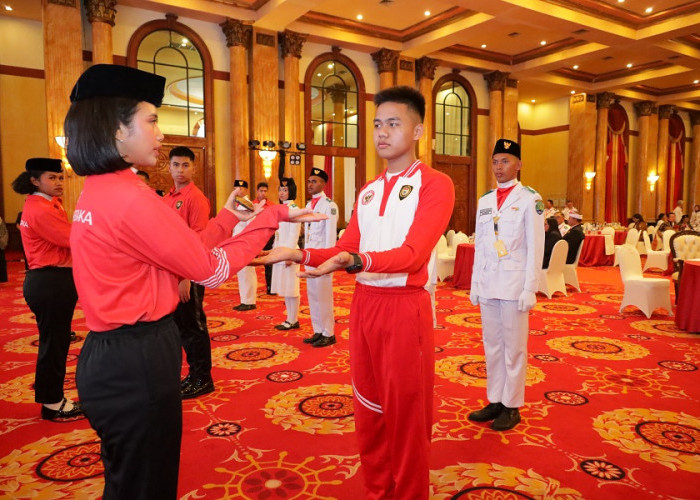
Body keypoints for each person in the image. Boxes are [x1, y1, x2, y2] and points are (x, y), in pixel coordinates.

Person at [64, 64, 324, 499]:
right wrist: (270, 218)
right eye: (151, 120)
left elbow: (181, 249)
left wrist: (229, 219)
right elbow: (210, 269)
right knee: (146, 485)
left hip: (111, 355)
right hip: (136, 359)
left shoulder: (100, 189)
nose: (161, 134)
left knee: (129, 480)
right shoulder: (131, 198)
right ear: (117, 131)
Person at [258, 85, 455, 499]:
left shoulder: (435, 185)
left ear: (418, 131)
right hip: (365, 305)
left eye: (393, 123)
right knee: (370, 410)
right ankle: (378, 491)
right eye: (377, 124)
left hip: (405, 310)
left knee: (406, 416)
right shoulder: (367, 190)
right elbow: (347, 248)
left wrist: (357, 262)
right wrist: (299, 251)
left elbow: (413, 255)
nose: (382, 132)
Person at [469, 138, 544, 432]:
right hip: (488, 283)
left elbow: (535, 248)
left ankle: (512, 405)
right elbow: (481, 245)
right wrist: (475, 283)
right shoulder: (485, 201)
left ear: (519, 165)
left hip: (514, 286)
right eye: (495, 161)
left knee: (514, 348)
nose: (499, 167)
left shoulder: (529, 199)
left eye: (505, 161)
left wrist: (530, 288)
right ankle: (495, 399)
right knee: (492, 346)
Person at [12, 158, 83, 421]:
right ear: (34, 180)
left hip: (52, 281)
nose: (58, 183)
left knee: (56, 341)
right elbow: (71, 238)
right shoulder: (40, 208)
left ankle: (52, 399)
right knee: (54, 344)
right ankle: (53, 403)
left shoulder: (46, 204)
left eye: (60, 177)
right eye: (52, 178)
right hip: (50, 281)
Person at [163, 146, 215, 399]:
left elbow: (198, 242)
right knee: (179, 327)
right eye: (176, 165)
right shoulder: (168, 198)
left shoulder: (195, 198)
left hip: (188, 274)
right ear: (169, 167)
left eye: (185, 165)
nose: (180, 170)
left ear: (194, 168)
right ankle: (192, 374)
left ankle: (203, 378)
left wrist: (186, 277)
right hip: (172, 273)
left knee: (193, 326)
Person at [301, 167, 339, 348]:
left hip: (323, 259)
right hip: (310, 257)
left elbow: (330, 236)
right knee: (313, 294)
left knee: (323, 296)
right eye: (309, 181)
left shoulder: (330, 206)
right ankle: (318, 330)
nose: (310, 184)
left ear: (324, 184)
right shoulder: (309, 205)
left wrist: (329, 261)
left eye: (314, 181)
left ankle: (329, 332)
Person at [271, 178, 302, 330]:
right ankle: (289, 318)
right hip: (280, 251)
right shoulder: (281, 208)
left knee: (292, 287)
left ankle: (293, 319)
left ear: (291, 191)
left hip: (289, 252)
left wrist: (289, 254)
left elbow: (293, 234)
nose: (282, 193)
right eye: (280, 190)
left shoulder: (294, 208)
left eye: (285, 190)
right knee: (285, 287)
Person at [232, 179, 258, 311]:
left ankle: (250, 300)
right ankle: (244, 299)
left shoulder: (247, 204)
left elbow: (251, 225)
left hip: (245, 242)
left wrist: (249, 243)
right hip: (237, 242)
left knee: (247, 271)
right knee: (241, 272)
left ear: (246, 190)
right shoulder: (236, 204)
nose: (238, 190)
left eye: (241, 188)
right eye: (236, 188)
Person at [255, 182, 275, 295]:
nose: (263, 193)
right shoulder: (252, 204)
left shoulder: (271, 205)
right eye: (261, 191)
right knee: (250, 262)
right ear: (257, 191)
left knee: (269, 262)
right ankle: (249, 287)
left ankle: (270, 287)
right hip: (255, 237)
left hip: (267, 236)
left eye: (265, 191)